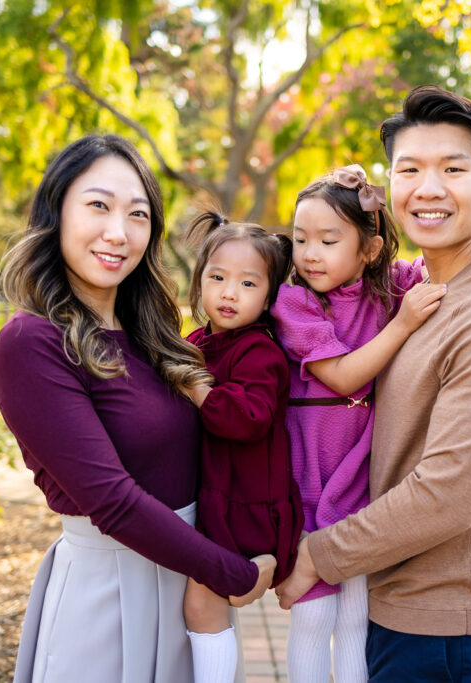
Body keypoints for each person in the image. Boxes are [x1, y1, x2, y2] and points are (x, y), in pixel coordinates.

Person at [276, 85, 471, 683]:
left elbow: (446, 496)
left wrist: (318, 554)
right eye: (410, 169)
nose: (428, 188)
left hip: (449, 631)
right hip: (401, 606)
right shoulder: (418, 292)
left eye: (453, 168)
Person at [0, 134, 276, 683]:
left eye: (138, 214)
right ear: (57, 211)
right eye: (98, 205)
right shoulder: (33, 342)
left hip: (193, 590)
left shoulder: (157, 334)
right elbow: (112, 500)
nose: (118, 233)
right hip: (112, 594)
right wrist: (233, 574)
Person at [179, 212, 304, 683]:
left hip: (246, 508)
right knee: (197, 603)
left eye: (248, 284)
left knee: (202, 601)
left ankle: (259, 571)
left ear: (270, 297)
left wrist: (193, 387)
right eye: (217, 278)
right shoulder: (198, 342)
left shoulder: (260, 352)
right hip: (216, 497)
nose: (229, 293)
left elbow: (247, 417)